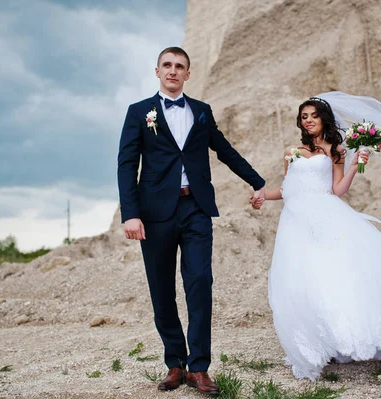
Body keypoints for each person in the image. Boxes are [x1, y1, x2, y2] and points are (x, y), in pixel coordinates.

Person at [252, 95, 381, 380]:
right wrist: (261, 196)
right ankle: (318, 344)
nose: (308, 120)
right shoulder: (291, 151)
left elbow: (337, 190)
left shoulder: (336, 150)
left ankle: (351, 335)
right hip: (296, 222)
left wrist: (355, 165)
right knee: (304, 280)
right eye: (304, 116)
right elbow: (285, 188)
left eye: (313, 115)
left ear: (323, 119)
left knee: (336, 275)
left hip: (327, 215)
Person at [117, 46, 265, 394]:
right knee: (162, 289)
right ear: (157, 71)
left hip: (196, 208)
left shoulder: (201, 111)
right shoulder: (139, 112)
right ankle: (174, 363)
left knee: (199, 283)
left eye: (179, 66)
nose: (173, 70)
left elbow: (224, 149)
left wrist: (257, 181)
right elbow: (127, 165)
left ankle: (199, 367)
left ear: (188, 73)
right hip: (154, 215)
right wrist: (131, 214)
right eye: (167, 65)